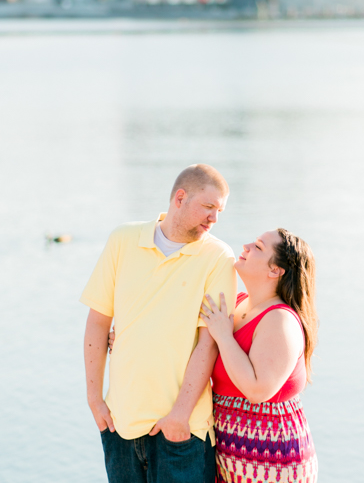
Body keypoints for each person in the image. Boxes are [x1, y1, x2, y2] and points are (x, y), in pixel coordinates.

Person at [81, 164, 237, 483]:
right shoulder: (123, 240)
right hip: (119, 424)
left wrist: (179, 415)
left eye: (219, 210)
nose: (214, 218)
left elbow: (208, 344)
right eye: (208, 207)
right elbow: (98, 322)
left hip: (182, 430)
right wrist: (95, 399)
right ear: (180, 197)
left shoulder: (219, 257)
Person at [201, 228, 319, 483]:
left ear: (275, 270)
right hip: (227, 453)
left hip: (272, 459)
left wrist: (223, 336)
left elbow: (257, 391)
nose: (245, 246)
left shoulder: (279, 319)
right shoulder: (236, 302)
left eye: (258, 246)